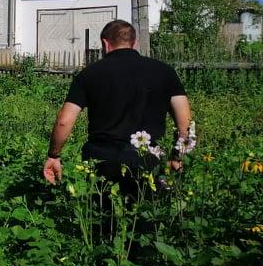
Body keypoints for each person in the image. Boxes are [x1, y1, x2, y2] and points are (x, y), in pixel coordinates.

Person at [42, 19, 192, 190]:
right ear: (134, 43)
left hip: (101, 161)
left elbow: (64, 121)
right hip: (149, 160)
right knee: (146, 211)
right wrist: (178, 157)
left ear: (105, 43)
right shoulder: (165, 72)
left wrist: (53, 155)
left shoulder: (89, 74)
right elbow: (186, 124)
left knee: (102, 212)